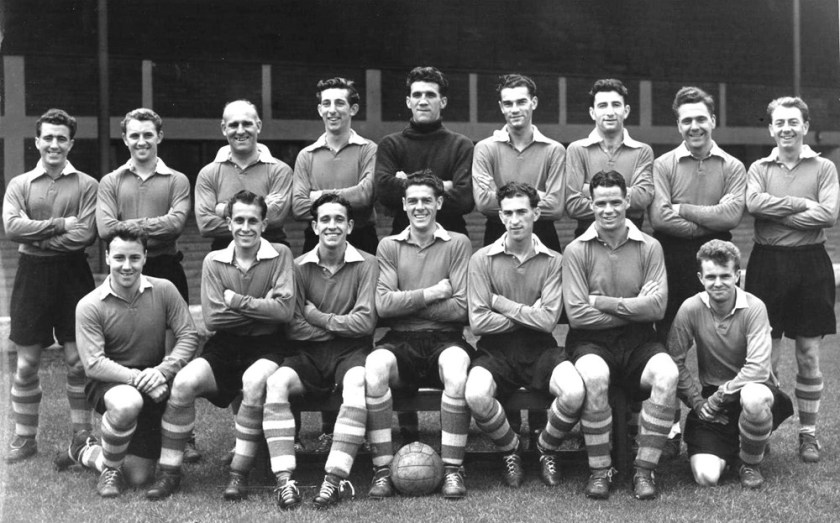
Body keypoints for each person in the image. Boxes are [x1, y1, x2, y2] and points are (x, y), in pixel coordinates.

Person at [145, 190, 295, 500]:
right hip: (225, 344)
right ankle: (169, 472)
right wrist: (262, 307)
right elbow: (214, 319)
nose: (245, 227)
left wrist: (236, 301)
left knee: (253, 382)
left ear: (264, 224)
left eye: (252, 221)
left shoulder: (280, 254)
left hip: (268, 344)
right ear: (228, 223)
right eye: (238, 220)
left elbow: (284, 312)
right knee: (183, 383)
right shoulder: (214, 260)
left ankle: (239, 473)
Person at [563, 170, 678, 500]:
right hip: (590, 342)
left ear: (627, 200)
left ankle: (644, 470)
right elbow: (577, 315)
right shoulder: (575, 250)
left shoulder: (650, 246)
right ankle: (600, 470)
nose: (608, 209)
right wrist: (635, 304)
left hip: (640, 339)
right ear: (590, 204)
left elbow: (657, 309)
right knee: (594, 376)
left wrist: (602, 302)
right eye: (600, 203)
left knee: (667, 374)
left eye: (615, 201)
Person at [94, 108, 201, 464]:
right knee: (129, 346)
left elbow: (176, 224)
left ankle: (183, 435)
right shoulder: (111, 181)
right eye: (134, 135)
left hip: (166, 267)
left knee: (174, 354)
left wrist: (128, 227)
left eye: (148, 134)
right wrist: (148, 228)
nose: (141, 141)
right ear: (125, 139)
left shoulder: (177, 180)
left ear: (160, 136)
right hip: (125, 270)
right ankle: (135, 421)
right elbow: (105, 228)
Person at [465, 182, 584, 488]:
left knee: (574, 392)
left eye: (521, 212)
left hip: (540, 348)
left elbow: (547, 322)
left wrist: (500, 303)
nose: (515, 220)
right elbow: (478, 322)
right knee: (475, 394)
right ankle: (512, 449)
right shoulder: (481, 259)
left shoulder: (554, 260)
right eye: (508, 213)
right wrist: (529, 314)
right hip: (495, 351)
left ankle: (545, 448)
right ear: (500, 216)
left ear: (536, 213)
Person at [649, 86, 747, 457]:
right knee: (669, 342)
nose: (695, 126)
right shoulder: (663, 165)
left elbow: (732, 216)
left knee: (727, 340)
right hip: (672, 258)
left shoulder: (733, 166)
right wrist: (707, 218)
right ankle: (670, 427)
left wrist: (684, 209)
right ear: (678, 125)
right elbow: (660, 217)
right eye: (687, 120)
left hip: (720, 259)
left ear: (713, 121)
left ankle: (733, 422)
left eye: (701, 118)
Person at [263, 194, 378, 509]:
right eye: (325, 219)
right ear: (314, 226)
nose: (332, 225)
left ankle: (334, 480)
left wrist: (318, 317)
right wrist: (338, 324)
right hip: (309, 354)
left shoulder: (368, 263)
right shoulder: (298, 267)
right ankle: (284, 481)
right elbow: (293, 327)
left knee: (356, 382)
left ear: (350, 226)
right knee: (276, 382)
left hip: (351, 352)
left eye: (339, 219)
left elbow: (365, 323)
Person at [365, 173, 473, 499]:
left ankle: (453, 469)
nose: (419, 206)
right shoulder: (389, 246)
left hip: (446, 338)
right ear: (403, 204)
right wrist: (433, 293)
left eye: (427, 200)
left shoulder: (458, 243)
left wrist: (408, 303)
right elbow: (384, 305)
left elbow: (461, 308)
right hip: (401, 338)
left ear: (439, 203)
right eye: (412, 200)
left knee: (457, 369)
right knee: (374, 368)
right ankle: (382, 470)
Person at [745, 96, 839, 463]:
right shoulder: (759, 167)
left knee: (808, 353)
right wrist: (801, 205)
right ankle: (762, 429)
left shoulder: (824, 167)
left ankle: (808, 434)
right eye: (780, 123)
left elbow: (828, 215)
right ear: (771, 129)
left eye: (793, 122)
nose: (786, 128)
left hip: (810, 263)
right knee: (766, 355)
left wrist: (776, 212)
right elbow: (754, 205)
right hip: (767, 263)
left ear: (805, 126)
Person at [2, 108, 98, 463]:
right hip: (32, 274)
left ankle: (82, 437)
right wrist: (59, 225)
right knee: (27, 363)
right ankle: (25, 437)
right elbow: (12, 228)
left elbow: (84, 235)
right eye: (48, 138)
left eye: (61, 138)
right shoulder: (20, 184)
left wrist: (36, 236)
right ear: (37, 141)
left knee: (77, 361)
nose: (54, 144)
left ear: (71, 143)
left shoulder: (88, 185)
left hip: (73, 274)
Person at [75, 224, 198, 497]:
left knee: (139, 477)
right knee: (128, 402)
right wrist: (140, 380)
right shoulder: (89, 304)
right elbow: (94, 363)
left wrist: (163, 371)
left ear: (145, 257)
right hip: (110, 380)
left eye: (134, 258)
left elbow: (188, 334)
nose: (127, 266)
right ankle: (110, 471)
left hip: (154, 377)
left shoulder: (164, 289)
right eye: (119, 258)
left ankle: (84, 450)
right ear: (108, 257)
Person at [668, 240, 792, 489]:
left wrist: (720, 397)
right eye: (711, 276)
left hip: (753, 388)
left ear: (737, 275)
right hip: (712, 395)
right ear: (700, 278)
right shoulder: (690, 308)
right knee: (705, 477)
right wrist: (698, 402)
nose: (718, 283)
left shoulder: (754, 307)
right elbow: (675, 361)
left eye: (725, 276)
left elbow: (758, 369)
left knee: (753, 398)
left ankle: (750, 463)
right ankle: (743, 442)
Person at [374, 66, 474, 236]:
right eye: (417, 95)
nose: (422, 101)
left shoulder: (461, 145)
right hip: (404, 239)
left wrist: (406, 181)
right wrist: (442, 185)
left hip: (451, 238)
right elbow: (385, 192)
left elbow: (464, 200)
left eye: (430, 95)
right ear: (408, 102)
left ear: (443, 102)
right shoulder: (390, 144)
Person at [472, 74, 565, 251]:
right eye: (508, 104)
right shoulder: (484, 148)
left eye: (521, 102)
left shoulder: (554, 150)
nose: (514, 109)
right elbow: (483, 204)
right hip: (496, 236)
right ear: (501, 107)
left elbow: (555, 208)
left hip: (544, 238)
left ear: (534, 103)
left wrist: (499, 192)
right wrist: (539, 195)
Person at [292, 77, 378, 255]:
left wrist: (319, 196)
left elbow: (365, 196)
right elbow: (299, 207)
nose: (332, 110)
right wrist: (351, 198)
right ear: (320, 110)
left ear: (353, 109)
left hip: (361, 238)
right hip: (317, 240)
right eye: (326, 104)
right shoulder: (306, 155)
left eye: (339, 103)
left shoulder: (369, 149)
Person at [195, 100, 293, 250]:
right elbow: (206, 225)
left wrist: (223, 210)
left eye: (247, 124)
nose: (240, 131)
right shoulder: (208, 174)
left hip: (272, 251)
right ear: (224, 128)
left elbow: (275, 218)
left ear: (258, 126)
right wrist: (262, 208)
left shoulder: (280, 170)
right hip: (223, 253)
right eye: (234, 125)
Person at [565, 79, 654, 237]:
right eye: (602, 105)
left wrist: (587, 190)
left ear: (626, 111)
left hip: (631, 239)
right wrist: (626, 201)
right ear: (592, 113)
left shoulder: (642, 151)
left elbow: (642, 199)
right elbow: (573, 206)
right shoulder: (577, 150)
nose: (610, 112)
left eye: (616, 105)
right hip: (587, 241)